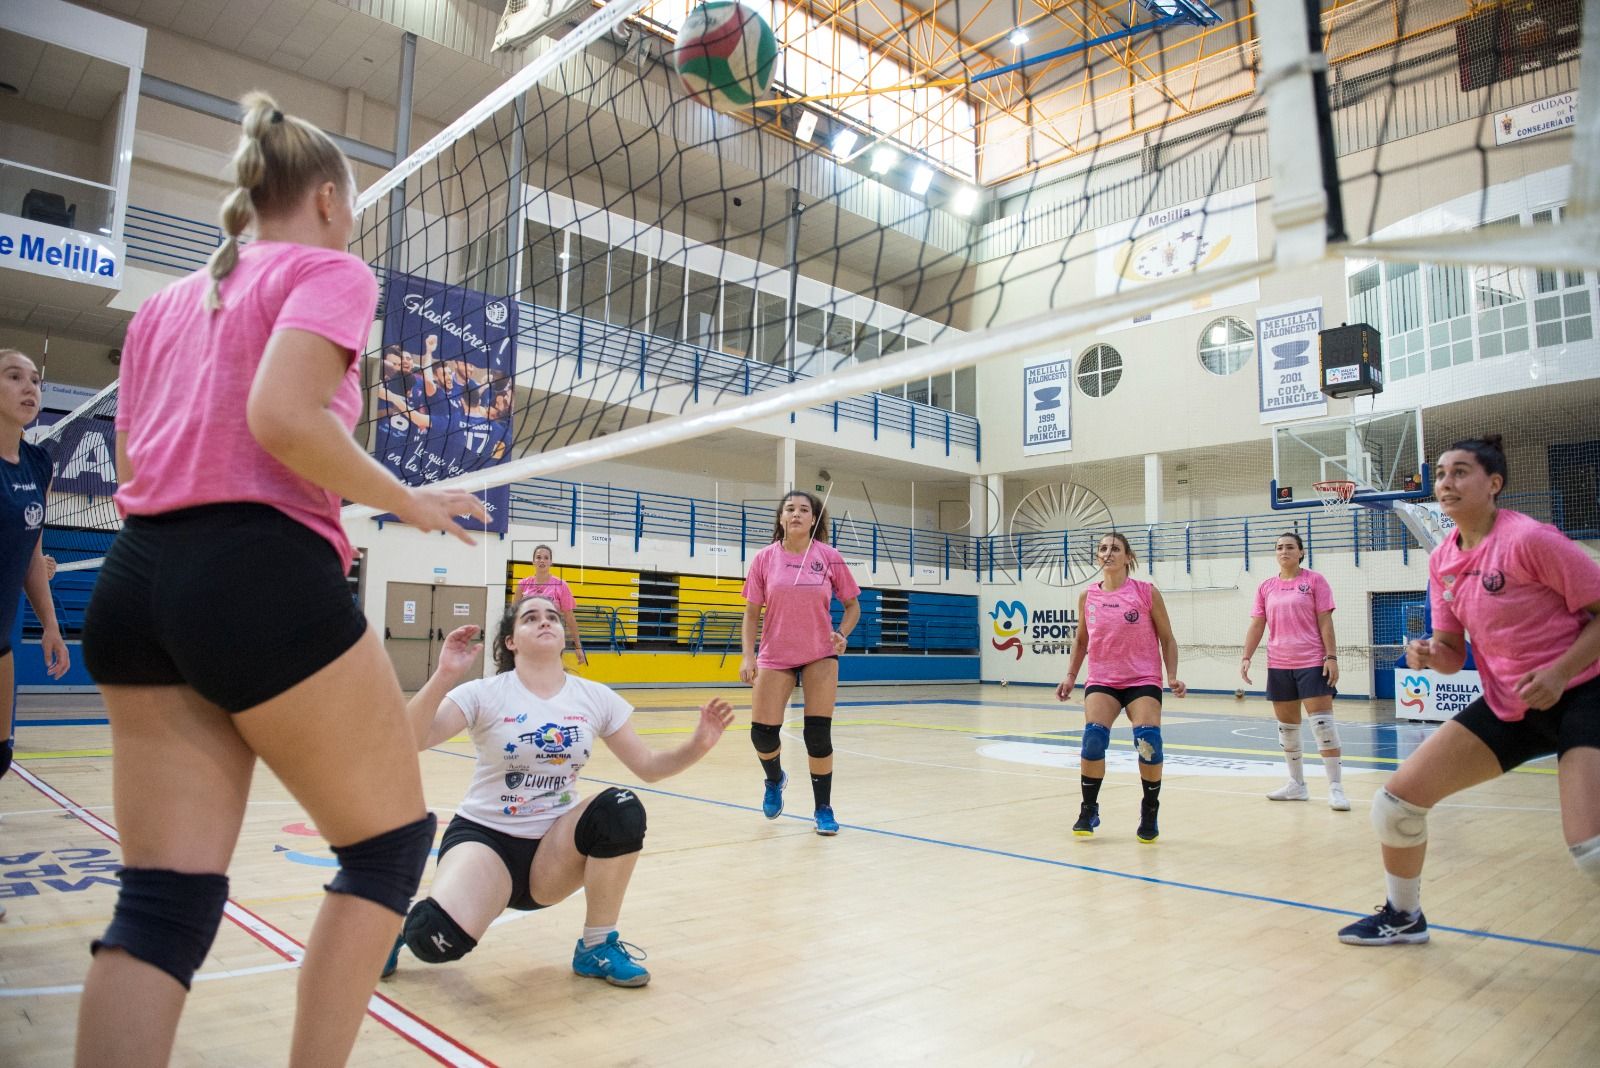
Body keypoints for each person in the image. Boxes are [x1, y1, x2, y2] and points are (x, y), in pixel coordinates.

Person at [73, 92, 484, 1067]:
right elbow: (284, 420)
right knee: (386, 850)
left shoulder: (167, 304)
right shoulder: (331, 270)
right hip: (257, 572)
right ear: (333, 201)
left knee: (165, 898)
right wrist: (407, 501)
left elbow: (135, 462)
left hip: (137, 581)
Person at [382, 597, 733, 986]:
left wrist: (697, 746)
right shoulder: (484, 693)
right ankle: (390, 930)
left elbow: (648, 767)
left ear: (564, 635)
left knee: (621, 807)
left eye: (552, 617)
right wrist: (445, 674)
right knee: (435, 939)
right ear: (511, 641)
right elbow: (410, 740)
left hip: (553, 851)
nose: (545, 622)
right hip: (485, 839)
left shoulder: (594, 697)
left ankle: (596, 945)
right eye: (531, 618)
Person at [1339, 435, 1600, 946]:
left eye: (1460, 472)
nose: (1446, 483)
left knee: (1589, 845)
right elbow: (1452, 653)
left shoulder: (1531, 540)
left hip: (1584, 692)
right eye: (1440, 474)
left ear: (1494, 484)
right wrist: (1427, 654)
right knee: (1396, 805)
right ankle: (1404, 916)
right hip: (1511, 705)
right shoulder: (1443, 562)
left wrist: (1560, 673)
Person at [739, 490, 861, 835]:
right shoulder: (764, 559)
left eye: (804, 509)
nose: (796, 513)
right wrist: (748, 655)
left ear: (814, 520)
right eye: (789, 508)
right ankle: (774, 780)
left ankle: (823, 807)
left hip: (820, 653)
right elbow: (750, 614)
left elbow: (853, 606)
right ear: (781, 518)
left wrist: (842, 633)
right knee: (762, 736)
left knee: (818, 736)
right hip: (775, 655)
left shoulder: (829, 557)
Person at [1055, 532, 1185, 843]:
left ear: (1128, 557)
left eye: (1115, 548)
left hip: (1142, 679)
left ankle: (1150, 809)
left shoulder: (1145, 592)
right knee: (1093, 739)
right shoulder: (1088, 597)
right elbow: (1082, 641)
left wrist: (1172, 676)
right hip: (1103, 679)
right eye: (1102, 548)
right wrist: (1071, 676)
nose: (1107, 553)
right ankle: (1089, 810)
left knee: (1148, 741)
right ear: (1097, 557)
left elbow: (1167, 638)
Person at [1, 349, 71, 921]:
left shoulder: (36, 464)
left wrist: (49, 623)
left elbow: (32, 550)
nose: (30, 387)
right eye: (14, 376)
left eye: (36, 380)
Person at [1240, 531, 1349, 811]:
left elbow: (1325, 621)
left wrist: (1331, 656)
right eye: (1279, 547)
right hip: (1279, 664)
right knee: (1288, 730)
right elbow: (1257, 624)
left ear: (1301, 552)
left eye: (1290, 547)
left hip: (1311, 661)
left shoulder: (1314, 581)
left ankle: (1336, 788)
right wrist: (1246, 656)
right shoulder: (1266, 587)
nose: (1284, 551)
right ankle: (1296, 785)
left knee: (1323, 726)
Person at [516, 545, 588, 665]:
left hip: (551, 639)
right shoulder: (523, 584)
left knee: (548, 677)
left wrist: (578, 647)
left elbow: (570, 618)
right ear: (533, 561)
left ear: (551, 562)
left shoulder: (561, 585)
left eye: (546, 557)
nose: (542, 560)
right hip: (528, 640)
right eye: (538, 557)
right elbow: (514, 615)